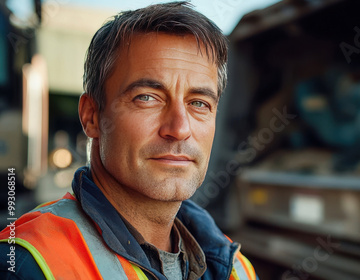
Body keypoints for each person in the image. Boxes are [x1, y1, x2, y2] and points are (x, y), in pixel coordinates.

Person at [0, 2, 258, 279]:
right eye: (147, 98)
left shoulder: (235, 267)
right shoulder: (25, 264)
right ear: (92, 117)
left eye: (199, 103)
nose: (180, 128)